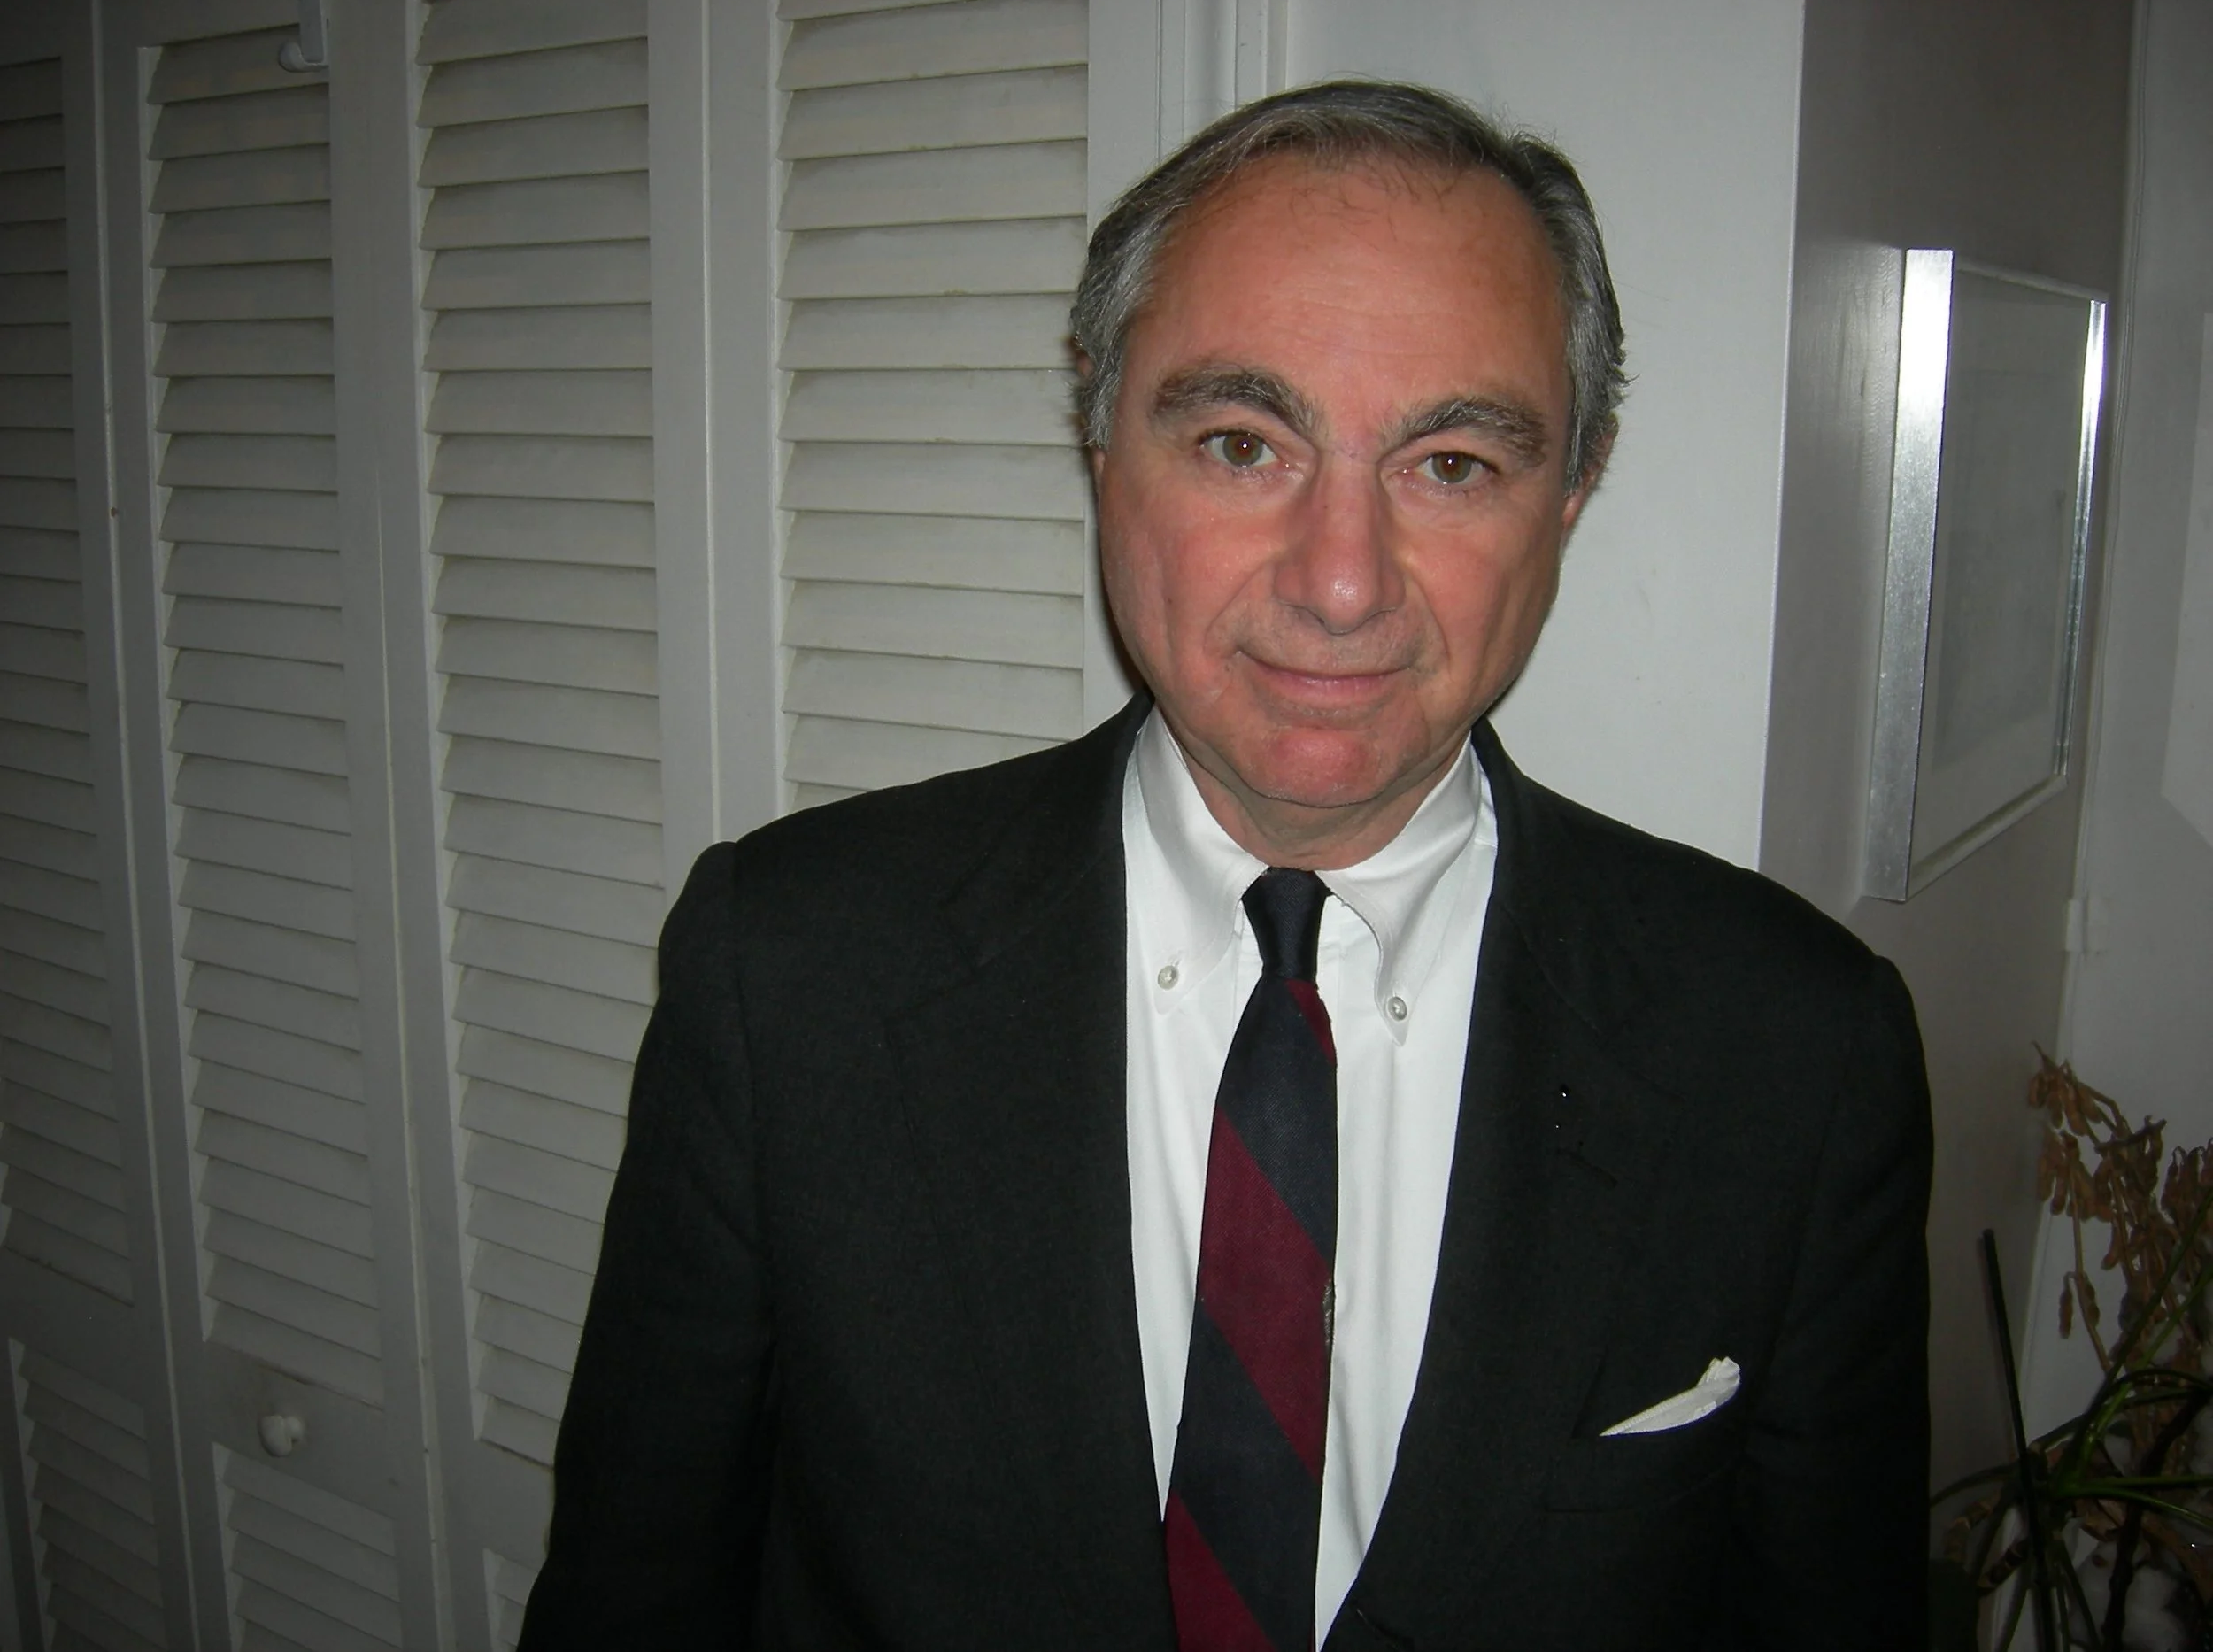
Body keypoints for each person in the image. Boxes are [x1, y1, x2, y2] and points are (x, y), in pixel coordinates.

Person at [517, 81, 1931, 1649]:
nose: (1342, 582)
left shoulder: (1796, 1055)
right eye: (1244, 443)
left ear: (1576, 486)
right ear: (1100, 435)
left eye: (1453, 463)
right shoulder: (786, 972)